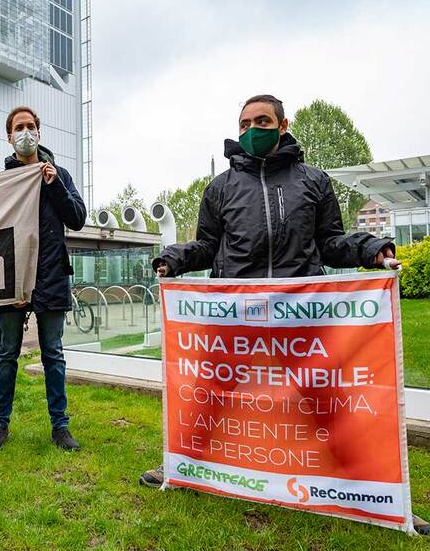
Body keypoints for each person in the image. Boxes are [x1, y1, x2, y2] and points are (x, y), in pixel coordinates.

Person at [139, 94, 399, 487]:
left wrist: (371, 250)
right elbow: (208, 246)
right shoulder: (220, 187)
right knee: (209, 394)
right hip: (235, 312)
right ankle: (181, 464)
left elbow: (330, 242)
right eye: (244, 124)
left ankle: (369, 482)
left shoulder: (314, 181)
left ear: (282, 125)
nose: (251, 130)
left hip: (300, 310)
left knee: (325, 396)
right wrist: (173, 258)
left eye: (262, 122)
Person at [0, 106, 87, 451]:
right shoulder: (2, 181)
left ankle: (60, 427)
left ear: (39, 133)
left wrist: (55, 185)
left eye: (30, 126)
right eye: (19, 127)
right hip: (12, 278)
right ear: (9, 137)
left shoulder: (59, 175)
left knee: (53, 354)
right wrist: (6, 282)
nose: (25, 132)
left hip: (51, 275)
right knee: (7, 355)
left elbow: (77, 219)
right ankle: (0, 425)